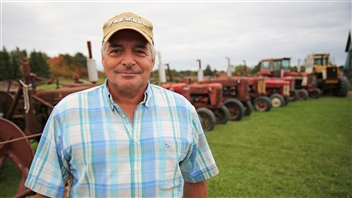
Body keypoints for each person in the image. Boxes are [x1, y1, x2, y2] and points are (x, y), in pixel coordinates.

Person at [25, 11, 219, 198]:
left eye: (139, 51)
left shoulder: (183, 110)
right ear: (103, 59)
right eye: (116, 51)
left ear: (152, 60)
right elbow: (46, 191)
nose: (128, 61)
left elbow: (196, 179)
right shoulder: (66, 113)